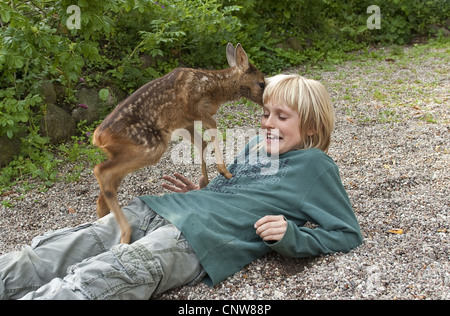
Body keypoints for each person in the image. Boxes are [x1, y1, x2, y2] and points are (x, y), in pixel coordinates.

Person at [0, 74, 363, 300]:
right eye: (265, 113)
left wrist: (290, 235)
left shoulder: (315, 167)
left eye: (282, 117)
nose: (267, 123)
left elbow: (346, 233)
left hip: (195, 239)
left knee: (96, 280)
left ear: (313, 127)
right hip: (160, 209)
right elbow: (236, 189)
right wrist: (202, 193)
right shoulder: (256, 146)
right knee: (50, 253)